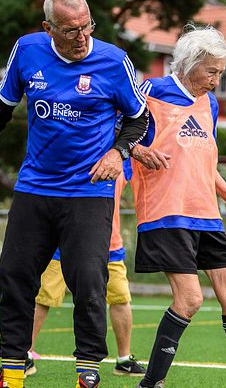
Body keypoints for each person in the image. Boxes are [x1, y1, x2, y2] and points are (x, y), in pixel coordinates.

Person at [0, 0, 165, 388]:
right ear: (48, 28)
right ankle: (13, 369)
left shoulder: (114, 62)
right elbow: (0, 110)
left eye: (87, 26)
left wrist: (119, 152)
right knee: (13, 274)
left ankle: (87, 369)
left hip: (89, 192)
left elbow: (141, 119)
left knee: (87, 281)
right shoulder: (28, 51)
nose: (82, 37)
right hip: (35, 187)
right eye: (70, 30)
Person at [130, 25, 226, 388]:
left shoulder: (210, 104)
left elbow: (205, 162)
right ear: (189, 63)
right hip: (166, 212)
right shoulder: (150, 92)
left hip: (207, 215)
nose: (216, 80)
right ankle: (150, 383)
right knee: (189, 299)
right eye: (212, 71)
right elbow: (113, 132)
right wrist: (138, 150)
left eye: (221, 72)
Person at [26, 159, 146, 378]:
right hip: (64, 241)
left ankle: (124, 360)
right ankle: (25, 354)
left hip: (109, 244)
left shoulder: (123, 161)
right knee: (44, 298)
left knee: (120, 299)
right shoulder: (78, 153)